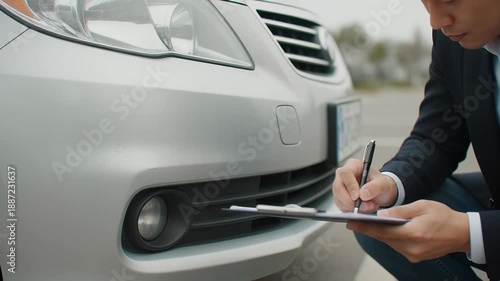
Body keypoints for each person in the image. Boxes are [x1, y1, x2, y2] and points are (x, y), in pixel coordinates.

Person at [332, 0, 500, 280]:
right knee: (383, 216)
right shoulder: (453, 43)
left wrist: (473, 234)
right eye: (425, 2)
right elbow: (436, 137)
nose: (435, 21)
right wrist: (388, 184)